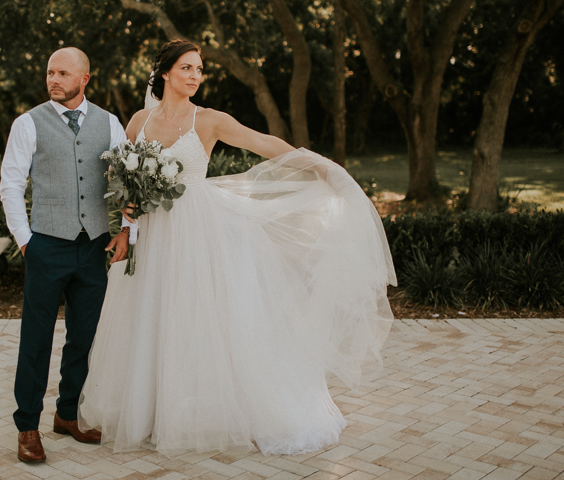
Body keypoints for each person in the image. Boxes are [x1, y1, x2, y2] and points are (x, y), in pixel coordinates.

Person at [78, 40, 397, 456]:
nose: (195, 76)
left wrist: (320, 166)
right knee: (152, 316)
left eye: (200, 69)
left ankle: (208, 410)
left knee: (201, 319)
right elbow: (126, 185)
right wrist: (126, 225)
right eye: (188, 68)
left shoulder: (209, 120)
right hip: (152, 237)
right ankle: (153, 411)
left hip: (197, 233)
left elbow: (264, 144)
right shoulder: (138, 121)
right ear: (167, 72)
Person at [0, 47, 132, 463]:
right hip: (46, 245)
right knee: (36, 340)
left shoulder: (110, 123)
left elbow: (128, 181)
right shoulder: (28, 123)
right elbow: (10, 184)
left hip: (93, 245)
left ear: (84, 80)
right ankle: (27, 427)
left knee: (84, 337)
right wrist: (26, 241)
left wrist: (127, 231)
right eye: (49, 72)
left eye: (62, 73)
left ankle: (69, 414)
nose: (53, 79)